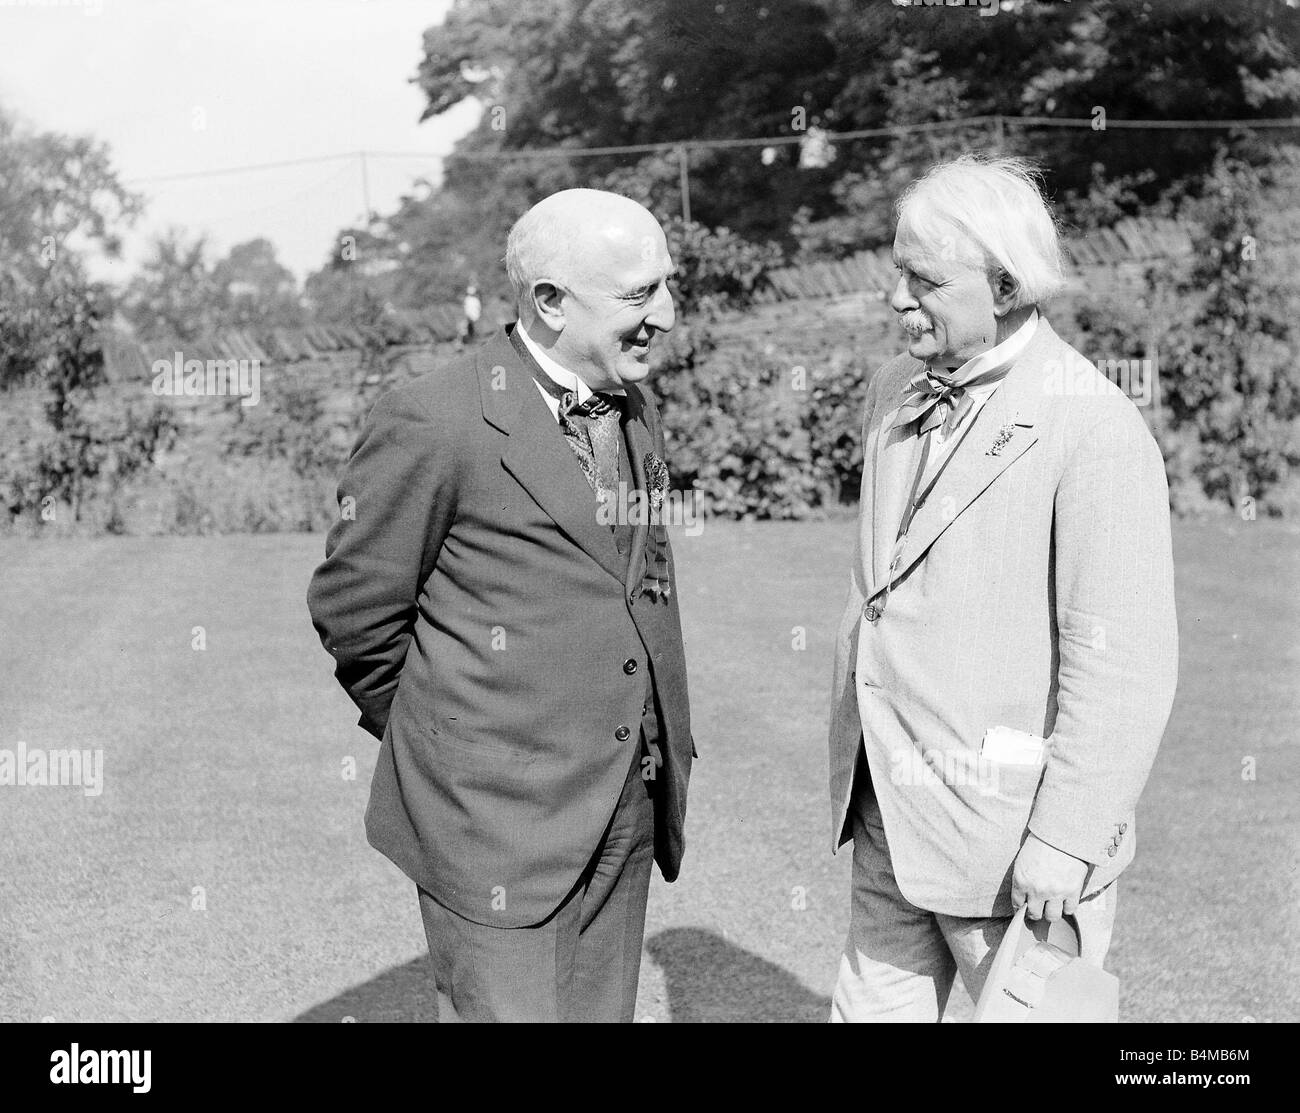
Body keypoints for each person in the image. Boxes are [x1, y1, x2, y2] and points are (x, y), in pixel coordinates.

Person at [308, 188, 694, 1023]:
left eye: (668, 285)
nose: (665, 313)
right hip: (495, 827)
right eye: (639, 294)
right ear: (549, 302)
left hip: (625, 802)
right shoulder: (435, 417)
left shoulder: (631, 404)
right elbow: (356, 610)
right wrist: (458, 749)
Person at [825, 154, 1178, 1022]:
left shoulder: (1093, 423)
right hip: (886, 811)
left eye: (925, 280)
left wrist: (1063, 839)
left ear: (1010, 286)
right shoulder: (893, 387)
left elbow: (1124, 664)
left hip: (1018, 848)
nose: (897, 297)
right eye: (896, 270)